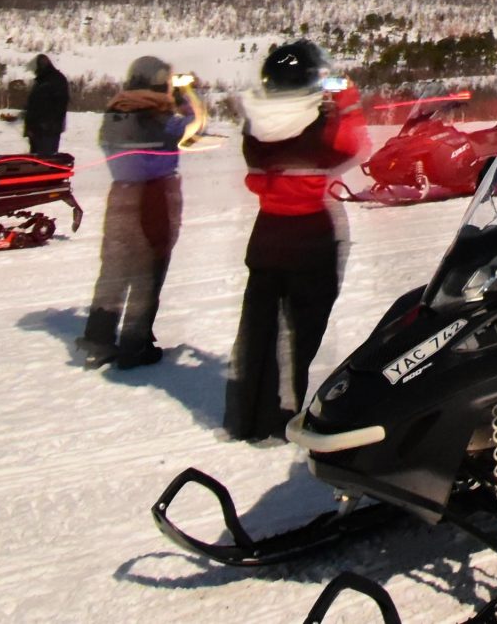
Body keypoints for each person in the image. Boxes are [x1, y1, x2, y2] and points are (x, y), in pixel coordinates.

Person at [225, 39, 371, 440]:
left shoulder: (254, 120)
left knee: (258, 326)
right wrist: (348, 103)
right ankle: (282, 416)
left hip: (268, 231)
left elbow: (259, 165)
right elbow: (354, 150)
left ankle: (246, 414)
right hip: (312, 231)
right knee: (301, 329)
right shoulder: (320, 122)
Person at [80, 56, 203, 369]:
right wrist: (186, 94)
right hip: (156, 198)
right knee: (148, 272)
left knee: (113, 270)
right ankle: (136, 344)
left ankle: (99, 337)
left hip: (120, 194)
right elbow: (197, 122)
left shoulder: (114, 112)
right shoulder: (163, 119)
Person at [23, 53, 71, 158]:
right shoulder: (41, 81)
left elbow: (60, 105)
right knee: (35, 163)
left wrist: (48, 124)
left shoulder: (56, 80)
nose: (34, 73)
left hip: (48, 132)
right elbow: (35, 105)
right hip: (37, 132)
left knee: (45, 162)